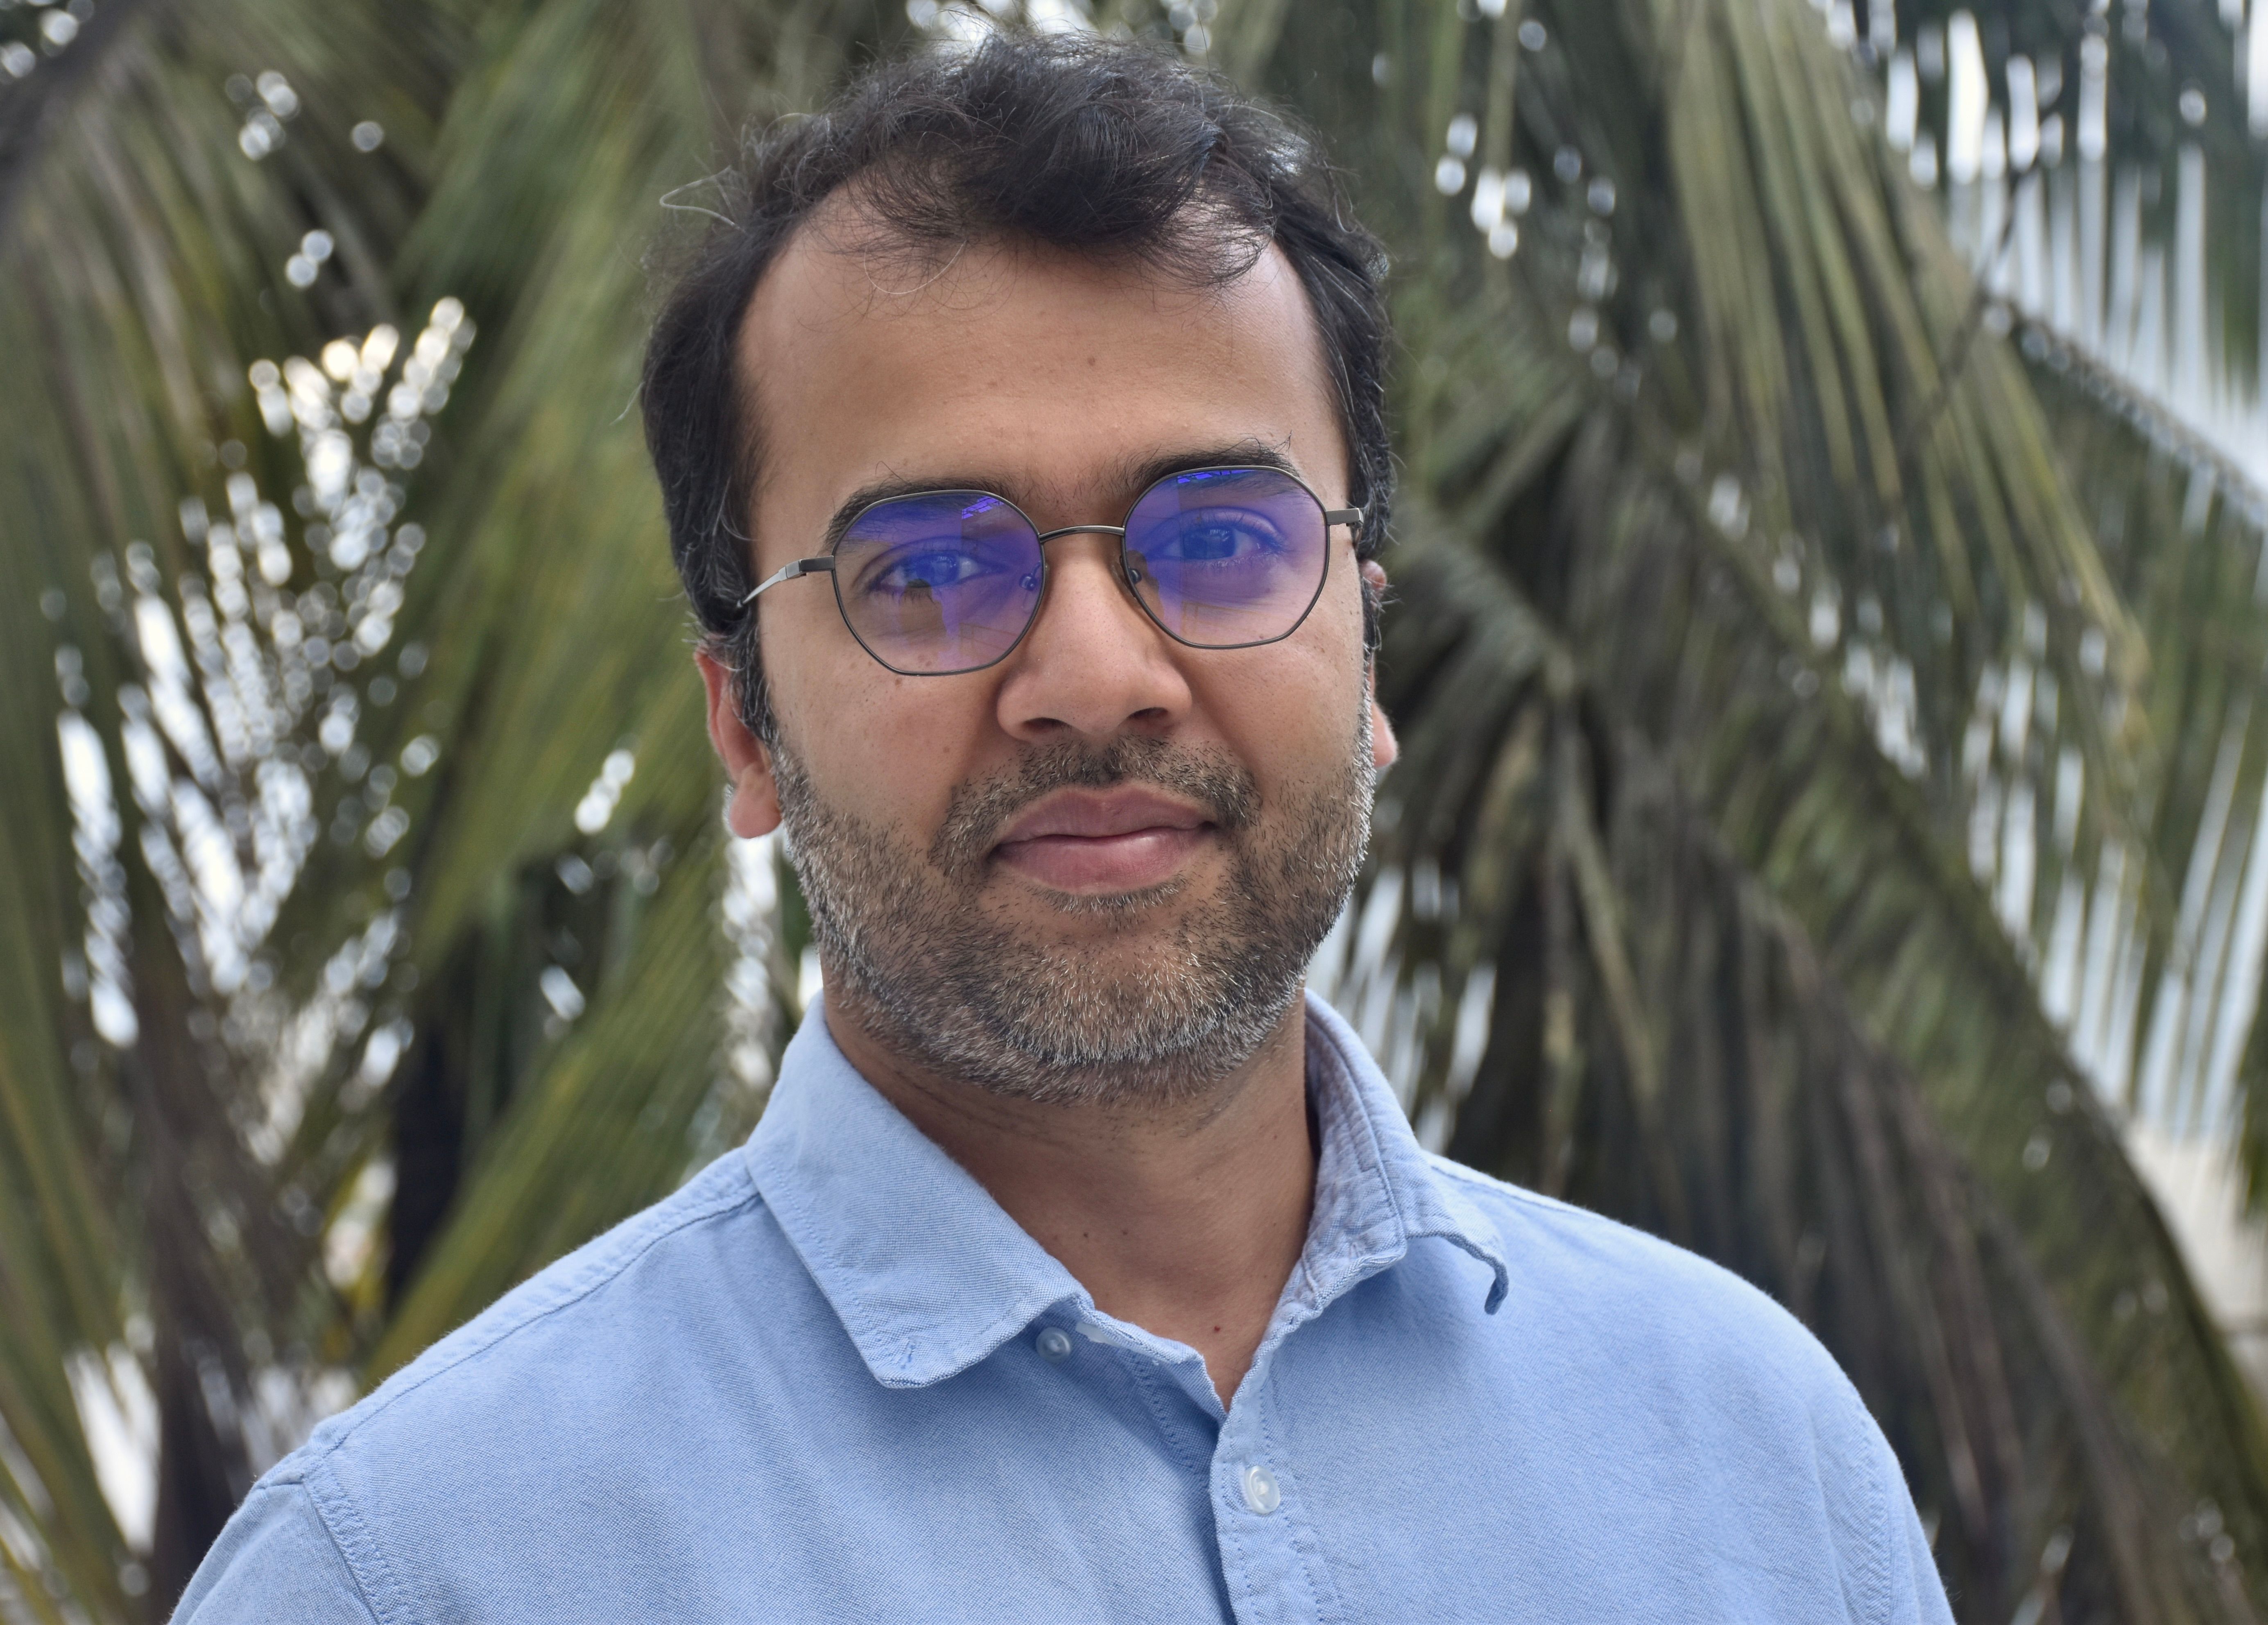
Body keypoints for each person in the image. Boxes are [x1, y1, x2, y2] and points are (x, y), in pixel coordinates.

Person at [177, 33, 1954, 1624]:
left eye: (1222, 537)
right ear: (747, 724)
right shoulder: (411, 1570)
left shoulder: (1753, 1456)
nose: (1094, 677)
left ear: (1366, 645)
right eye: (932, 568)